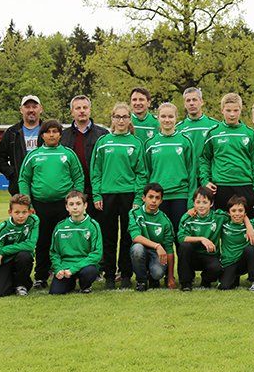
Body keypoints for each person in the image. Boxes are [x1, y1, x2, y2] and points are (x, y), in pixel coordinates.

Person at [18, 120, 84, 288]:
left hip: (64, 206)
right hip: (40, 205)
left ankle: (67, 273)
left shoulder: (68, 154)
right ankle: (40, 276)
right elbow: (24, 179)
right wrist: (28, 203)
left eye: (55, 131)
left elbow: (78, 177)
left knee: (65, 240)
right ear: (42, 135)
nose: (52, 134)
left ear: (60, 135)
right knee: (42, 241)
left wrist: (75, 200)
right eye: (48, 132)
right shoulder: (34, 155)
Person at [90, 102, 146, 289]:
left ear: (130, 119)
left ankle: (126, 274)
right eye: (117, 117)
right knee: (109, 237)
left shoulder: (136, 143)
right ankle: (109, 276)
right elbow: (96, 171)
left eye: (124, 117)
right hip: (107, 195)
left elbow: (141, 173)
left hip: (129, 194)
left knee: (128, 237)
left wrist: (138, 198)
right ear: (112, 119)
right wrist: (97, 195)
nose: (121, 120)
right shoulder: (103, 142)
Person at [199, 93, 254, 217]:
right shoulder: (213, 133)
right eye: (228, 110)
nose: (232, 114)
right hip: (221, 186)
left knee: (248, 224)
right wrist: (205, 181)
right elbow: (204, 159)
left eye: (235, 110)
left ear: (241, 110)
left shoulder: (249, 133)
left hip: (245, 185)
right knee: (223, 224)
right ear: (222, 110)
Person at [144, 102, 196, 236]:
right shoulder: (150, 143)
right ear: (158, 118)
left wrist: (191, 200)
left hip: (180, 196)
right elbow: (146, 173)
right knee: (159, 237)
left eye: (170, 116)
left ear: (176, 118)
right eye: (163, 116)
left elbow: (192, 172)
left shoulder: (185, 141)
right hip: (158, 197)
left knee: (181, 236)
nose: (167, 120)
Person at [0, 194, 39, 297]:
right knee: (0, 292)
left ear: (29, 212)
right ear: (10, 212)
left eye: (24, 212)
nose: (21, 216)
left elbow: (30, 245)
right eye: (17, 212)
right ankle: (12, 280)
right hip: (6, 261)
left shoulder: (34, 220)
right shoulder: (4, 228)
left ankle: (22, 284)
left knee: (24, 256)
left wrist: (5, 250)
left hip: (21, 258)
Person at [61, 95, 108, 217]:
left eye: (85, 107)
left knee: (99, 225)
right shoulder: (63, 136)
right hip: (72, 191)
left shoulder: (103, 134)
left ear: (90, 110)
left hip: (97, 191)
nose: (82, 111)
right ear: (72, 112)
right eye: (78, 108)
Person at [49, 191, 103, 295]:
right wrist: (58, 268)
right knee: (56, 292)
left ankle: (85, 285)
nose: (75, 207)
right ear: (67, 207)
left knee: (89, 272)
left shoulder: (93, 225)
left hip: (84, 265)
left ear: (85, 205)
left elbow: (97, 253)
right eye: (71, 204)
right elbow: (54, 252)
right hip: (66, 267)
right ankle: (70, 283)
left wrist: (73, 269)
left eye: (78, 204)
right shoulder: (60, 227)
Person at [177, 187, 227, 291]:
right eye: (198, 202)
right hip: (193, 256)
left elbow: (236, 215)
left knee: (217, 269)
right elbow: (181, 238)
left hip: (210, 255)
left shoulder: (219, 216)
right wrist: (202, 239)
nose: (201, 206)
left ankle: (206, 280)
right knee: (184, 247)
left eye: (205, 202)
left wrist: (248, 224)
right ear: (193, 203)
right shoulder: (188, 217)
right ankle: (186, 283)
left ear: (211, 203)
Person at [128, 183, 176, 292]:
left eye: (157, 198)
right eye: (150, 197)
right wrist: (157, 246)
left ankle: (153, 277)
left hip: (156, 254)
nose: (154, 201)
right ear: (143, 198)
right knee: (137, 249)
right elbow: (135, 237)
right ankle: (141, 281)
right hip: (142, 249)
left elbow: (169, 250)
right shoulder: (135, 213)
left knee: (157, 273)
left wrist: (170, 277)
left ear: (161, 201)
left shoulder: (165, 221)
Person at [0, 95, 43, 195]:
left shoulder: (48, 131)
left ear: (41, 109)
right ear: (21, 110)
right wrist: (13, 174)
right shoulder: (11, 132)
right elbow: (0, 159)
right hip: (19, 188)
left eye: (34, 107)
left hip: (44, 186)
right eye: (27, 107)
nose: (31, 110)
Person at [175, 87, 219, 185]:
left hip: (210, 177)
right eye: (188, 100)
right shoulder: (178, 128)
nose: (191, 103)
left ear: (201, 102)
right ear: (184, 104)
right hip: (187, 178)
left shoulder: (214, 125)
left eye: (194, 100)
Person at [218, 195, 254, 291]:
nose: (237, 213)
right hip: (229, 262)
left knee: (250, 249)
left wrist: (249, 226)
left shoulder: (253, 225)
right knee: (225, 287)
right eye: (233, 211)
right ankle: (234, 277)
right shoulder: (223, 223)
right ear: (228, 212)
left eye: (240, 210)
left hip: (244, 262)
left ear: (245, 213)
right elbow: (209, 212)